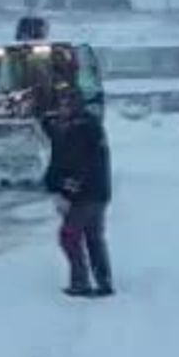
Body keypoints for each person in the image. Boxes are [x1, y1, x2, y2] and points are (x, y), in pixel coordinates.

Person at [47, 89, 114, 297]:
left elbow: (77, 163)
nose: (62, 109)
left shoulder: (80, 130)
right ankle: (103, 281)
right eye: (61, 105)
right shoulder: (89, 126)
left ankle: (80, 282)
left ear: (76, 106)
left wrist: (67, 187)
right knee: (93, 237)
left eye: (66, 105)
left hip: (83, 194)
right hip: (97, 192)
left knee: (69, 236)